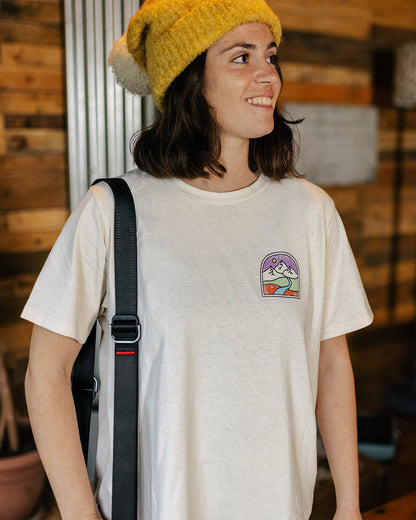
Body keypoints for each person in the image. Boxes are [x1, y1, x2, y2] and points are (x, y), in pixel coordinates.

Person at [23, 1, 373, 519]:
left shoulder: (308, 211)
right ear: (190, 80)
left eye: (271, 56)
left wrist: (349, 505)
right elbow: (46, 371)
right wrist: (79, 512)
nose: (268, 76)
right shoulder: (114, 211)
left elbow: (331, 363)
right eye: (241, 57)